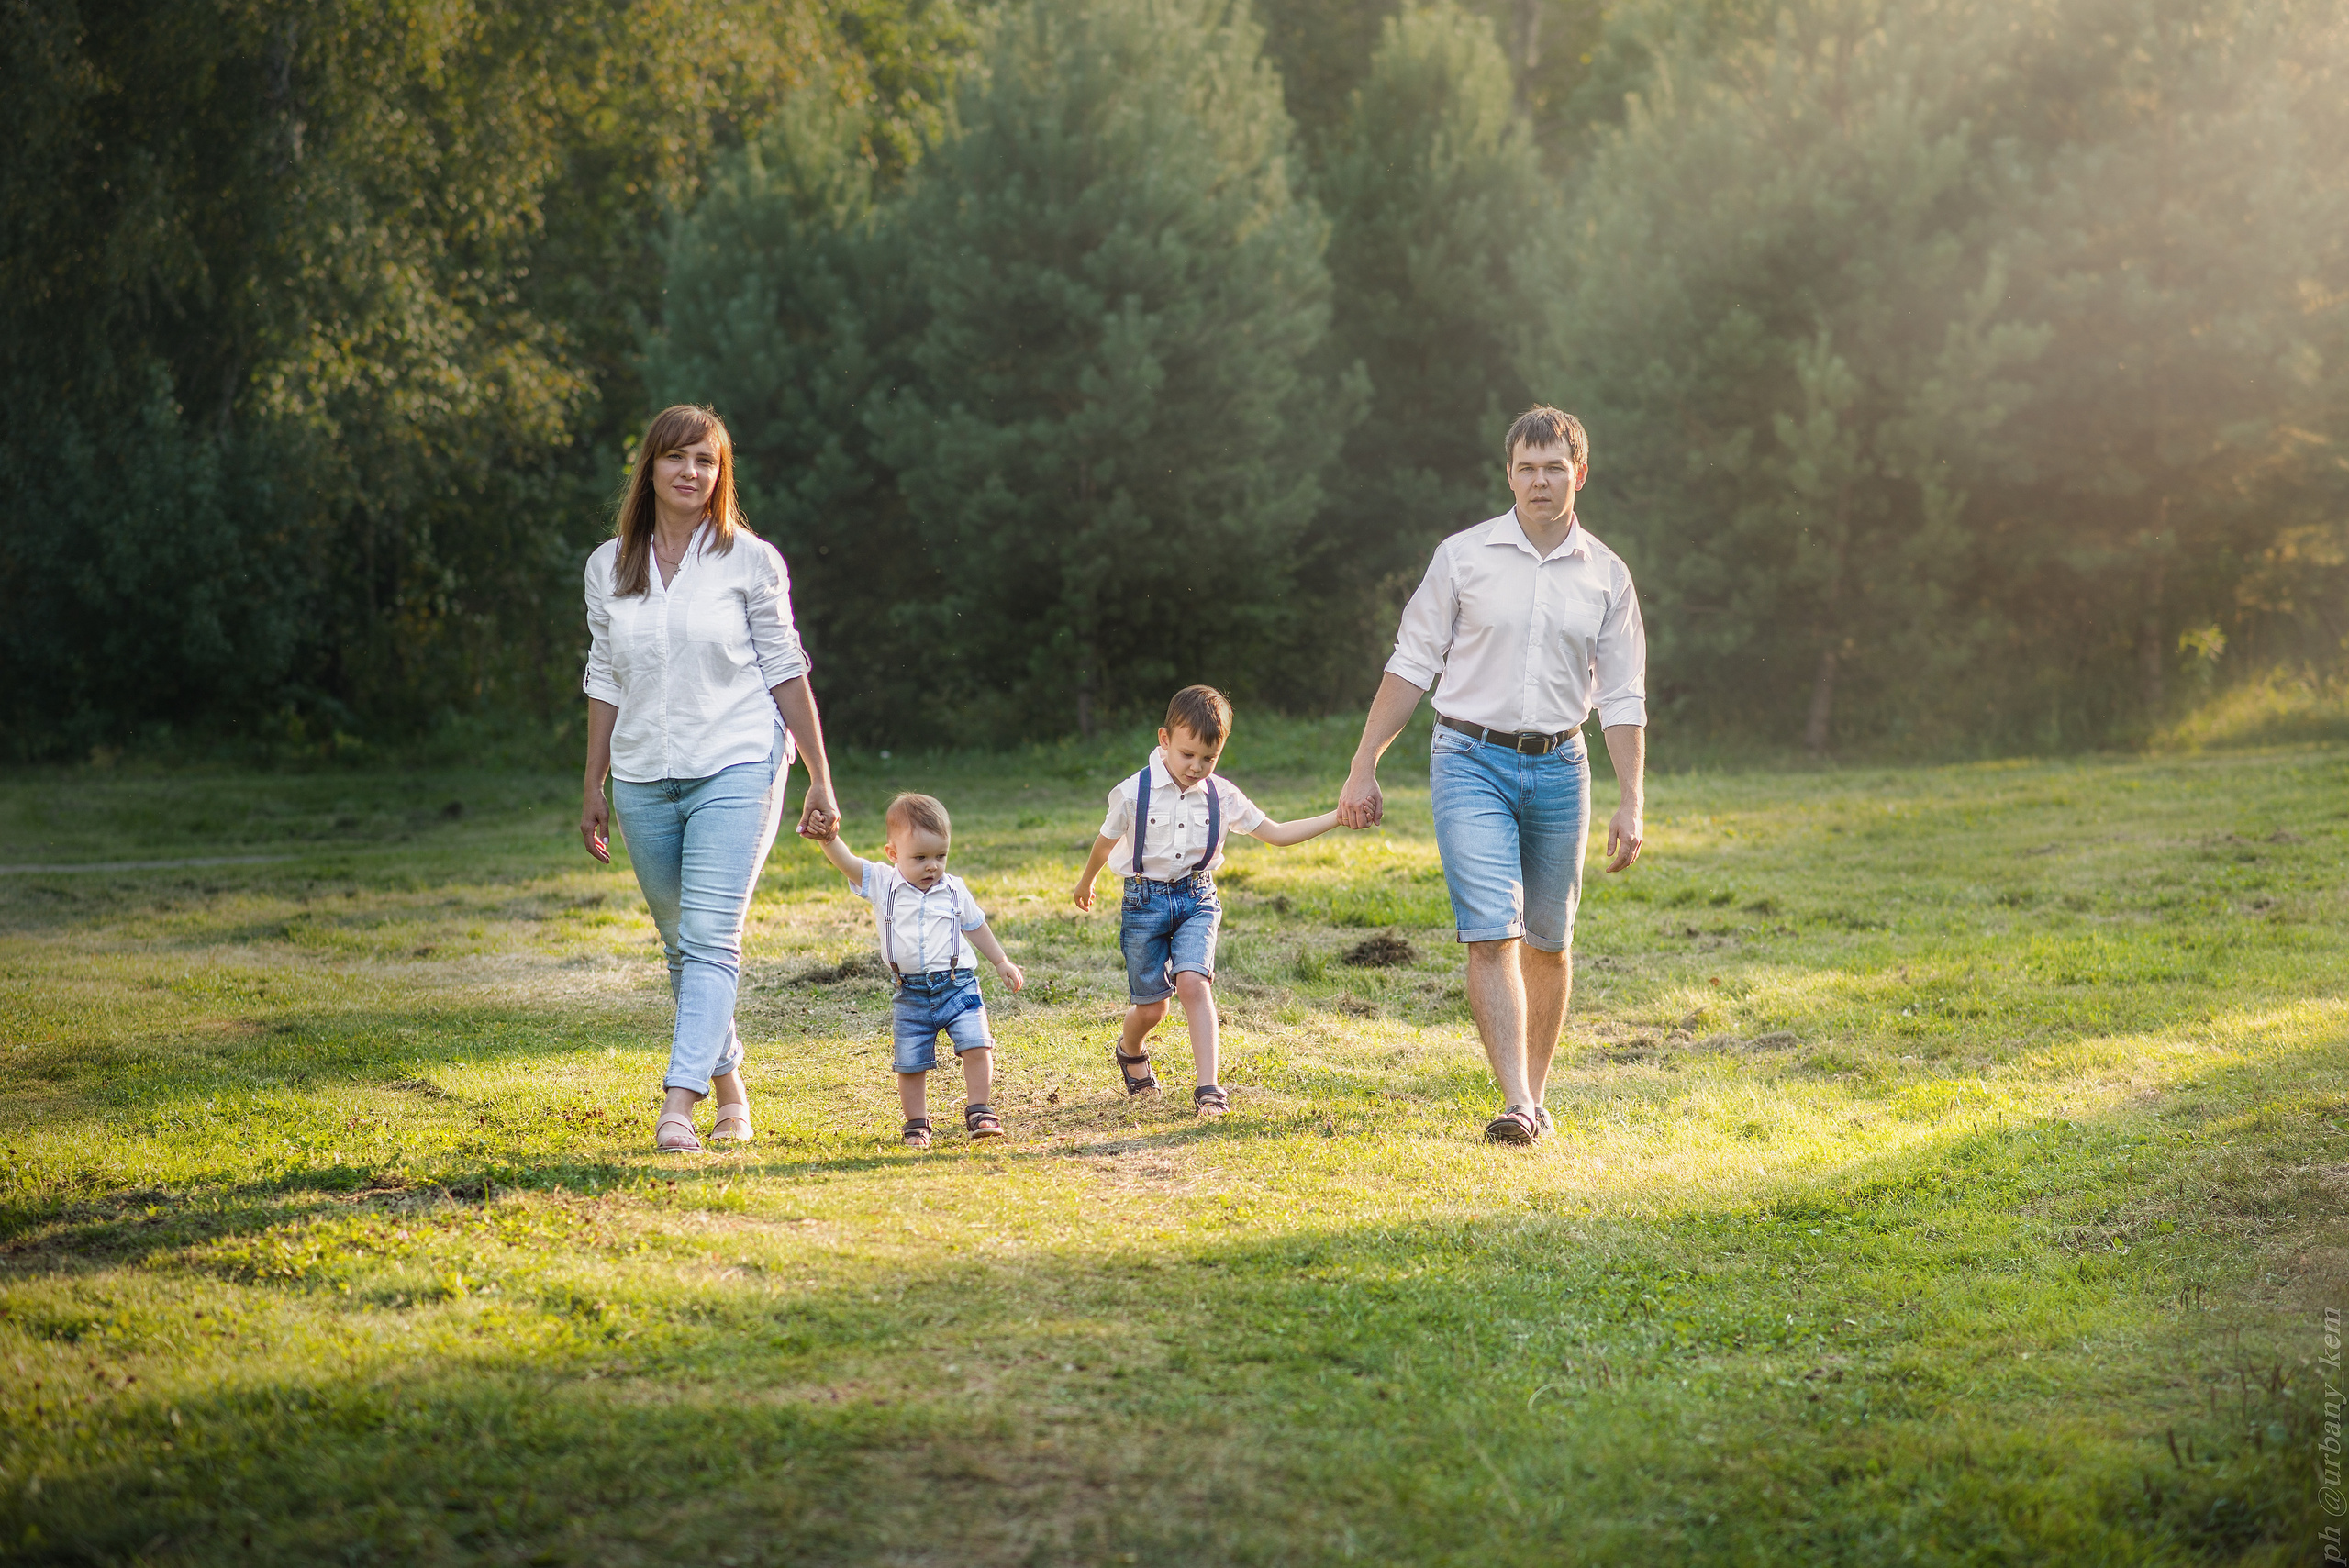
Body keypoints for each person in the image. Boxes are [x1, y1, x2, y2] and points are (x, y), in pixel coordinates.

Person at [1335, 406, 1647, 1145]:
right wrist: (1363, 764)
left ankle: (1533, 1095)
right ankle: (1512, 1097)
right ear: (1509, 473)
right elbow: (1412, 662)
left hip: (1562, 767)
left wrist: (1632, 797)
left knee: (1549, 937)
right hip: (1468, 758)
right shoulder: (1462, 558)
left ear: (1580, 473)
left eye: (1553, 467)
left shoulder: (1607, 576)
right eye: (1526, 467)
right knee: (1491, 930)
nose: (1539, 481)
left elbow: (1625, 696)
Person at [579, 404, 841, 1153]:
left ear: (720, 474)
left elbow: (787, 671)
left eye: (706, 461)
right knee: (682, 944)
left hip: (738, 759)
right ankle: (731, 1093)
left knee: (711, 937)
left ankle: (676, 1104)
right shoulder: (608, 565)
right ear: (651, 468)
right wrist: (594, 782)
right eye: (677, 459)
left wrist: (820, 774)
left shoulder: (751, 560)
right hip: (639, 775)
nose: (691, 473)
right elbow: (604, 675)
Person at [1072, 685, 1346, 1116]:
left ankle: (1209, 1090)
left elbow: (1275, 833)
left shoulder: (1224, 796)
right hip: (1144, 903)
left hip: (1197, 897)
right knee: (1152, 1009)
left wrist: (1337, 816)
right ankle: (1130, 1049)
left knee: (1194, 984)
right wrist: (1087, 882)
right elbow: (1105, 844)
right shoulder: (1132, 792)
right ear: (1165, 740)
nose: (1197, 767)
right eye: (1187, 755)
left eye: (1209, 758)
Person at [813, 793, 1025, 1148]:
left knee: (977, 1045)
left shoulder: (954, 889)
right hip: (910, 992)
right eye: (920, 857)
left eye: (941, 856)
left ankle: (980, 1109)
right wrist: (828, 839)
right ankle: (916, 1122)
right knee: (910, 1063)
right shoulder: (883, 883)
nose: (932, 866)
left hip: (959, 986)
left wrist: (1001, 961)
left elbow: (976, 927)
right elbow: (847, 862)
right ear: (893, 855)